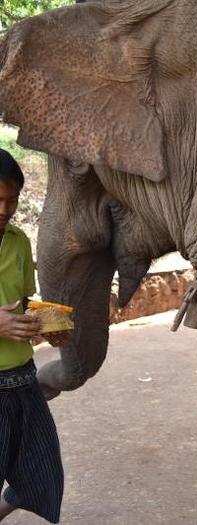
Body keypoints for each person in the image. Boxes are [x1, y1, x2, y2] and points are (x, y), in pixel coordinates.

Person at [0, 148, 65, 523]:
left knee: (42, 476)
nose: (4, 207)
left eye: (12, 199)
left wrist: (45, 325)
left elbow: (22, 303)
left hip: (21, 379)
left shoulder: (19, 241)